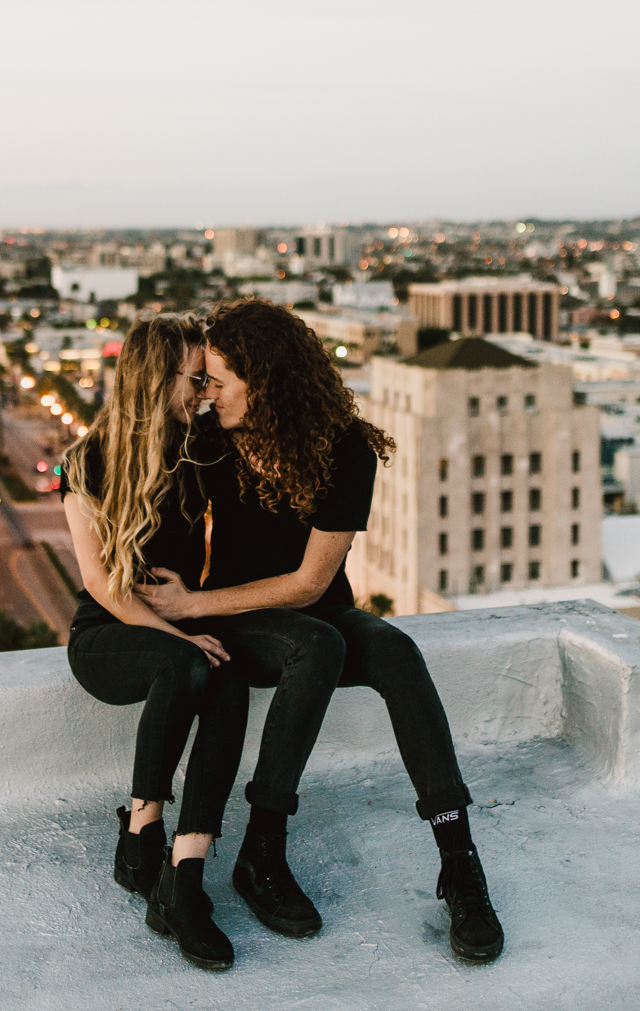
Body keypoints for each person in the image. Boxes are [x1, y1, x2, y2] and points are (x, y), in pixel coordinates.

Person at [139, 298, 505, 963]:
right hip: (238, 620)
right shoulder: (207, 440)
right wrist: (183, 605)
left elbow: (311, 583)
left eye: (220, 379)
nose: (208, 392)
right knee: (318, 643)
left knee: (395, 650)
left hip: (304, 610)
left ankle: (460, 863)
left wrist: (193, 604)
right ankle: (264, 849)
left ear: (268, 379)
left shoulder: (344, 448)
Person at [61, 313, 246, 971]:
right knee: (188, 660)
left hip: (180, 625)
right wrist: (179, 630)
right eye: (194, 377)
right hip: (106, 637)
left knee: (226, 673)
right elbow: (101, 585)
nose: (201, 389)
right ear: (156, 375)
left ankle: (184, 875)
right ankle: (142, 826)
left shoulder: (200, 448)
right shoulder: (87, 459)